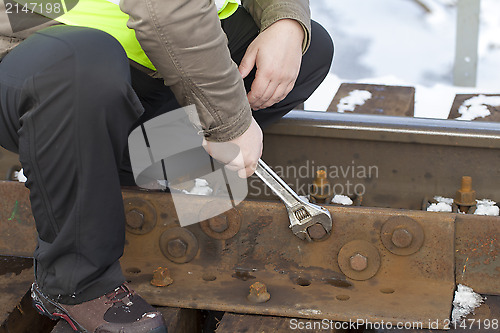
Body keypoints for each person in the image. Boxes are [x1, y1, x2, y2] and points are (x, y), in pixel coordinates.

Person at [0, 0, 333, 332]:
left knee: (309, 49)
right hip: (44, 53)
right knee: (82, 63)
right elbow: (164, 8)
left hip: (153, 57)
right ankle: (76, 283)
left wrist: (285, 22)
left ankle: (115, 168)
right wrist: (229, 123)